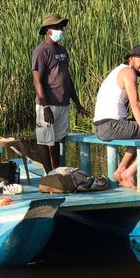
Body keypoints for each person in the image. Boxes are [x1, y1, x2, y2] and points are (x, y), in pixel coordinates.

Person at [92, 45, 140, 189]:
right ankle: (128, 173)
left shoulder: (118, 70)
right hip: (110, 125)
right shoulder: (128, 72)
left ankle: (121, 169)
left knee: (137, 128)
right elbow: (136, 104)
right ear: (131, 58)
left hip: (100, 126)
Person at [31, 12, 89, 173]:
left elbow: (67, 78)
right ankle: (48, 173)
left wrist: (77, 104)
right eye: (57, 27)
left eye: (61, 27)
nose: (60, 30)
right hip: (48, 103)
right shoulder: (41, 51)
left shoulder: (62, 50)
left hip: (63, 103)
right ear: (47, 30)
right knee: (44, 140)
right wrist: (46, 106)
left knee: (55, 140)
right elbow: (37, 81)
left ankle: (55, 172)